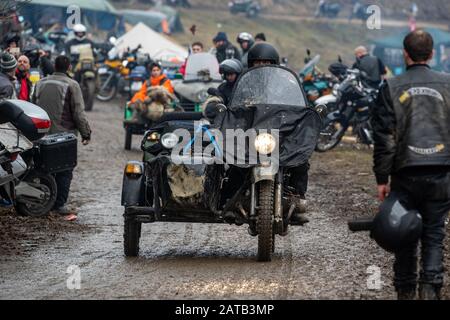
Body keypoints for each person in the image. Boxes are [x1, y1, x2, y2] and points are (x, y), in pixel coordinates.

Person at [372, 30, 450, 300]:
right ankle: (430, 290)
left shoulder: (390, 87)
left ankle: (404, 291)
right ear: (431, 54)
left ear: (405, 54)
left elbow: (385, 139)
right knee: (434, 233)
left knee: (404, 231)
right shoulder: (448, 84)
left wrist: (382, 179)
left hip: (405, 174)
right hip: (441, 173)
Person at [247, 43, 310, 224]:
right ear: (251, 64)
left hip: (279, 131)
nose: (262, 65)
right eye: (258, 62)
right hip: (251, 133)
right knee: (233, 162)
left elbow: (300, 104)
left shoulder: (286, 83)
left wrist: (305, 113)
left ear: (274, 63)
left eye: (266, 62)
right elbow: (232, 105)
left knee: (300, 160)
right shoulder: (246, 83)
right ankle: (228, 198)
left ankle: (296, 199)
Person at [32, 55, 92, 220]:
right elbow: (78, 113)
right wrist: (86, 133)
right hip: (64, 137)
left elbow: (32, 106)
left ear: (54, 66)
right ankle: (59, 205)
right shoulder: (72, 85)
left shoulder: (39, 83)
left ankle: (42, 202)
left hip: (41, 135)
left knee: (42, 168)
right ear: (69, 67)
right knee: (65, 171)